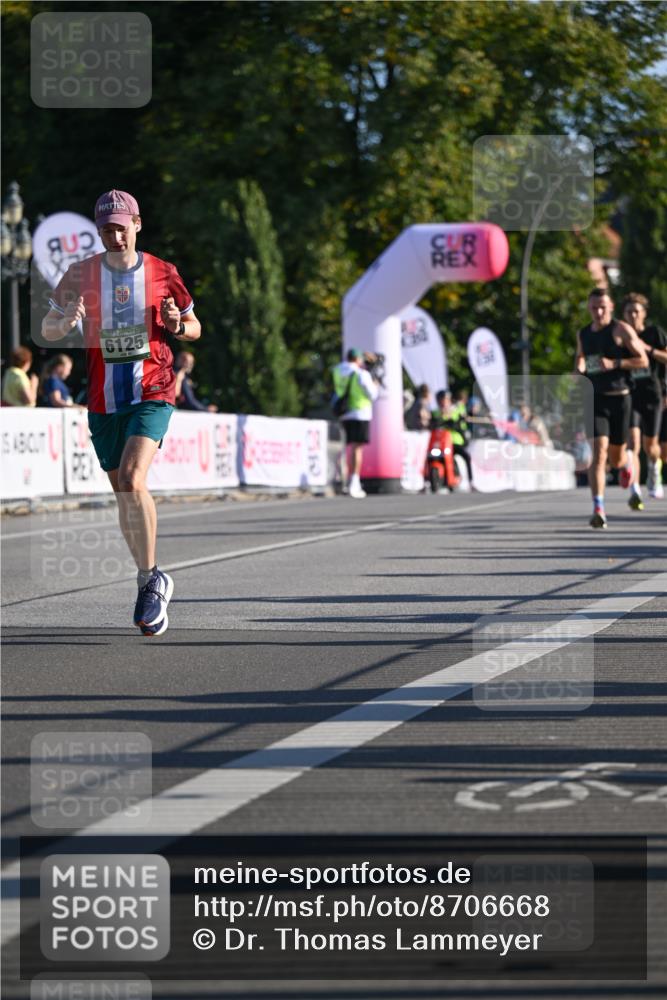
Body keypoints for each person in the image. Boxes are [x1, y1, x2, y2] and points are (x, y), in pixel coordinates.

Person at [41, 189, 201, 635]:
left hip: (154, 388)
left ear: (137, 224)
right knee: (123, 493)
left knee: (133, 478)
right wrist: (65, 322)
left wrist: (175, 326)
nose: (113, 235)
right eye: (105, 228)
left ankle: (151, 581)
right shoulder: (80, 274)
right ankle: (148, 575)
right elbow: (47, 327)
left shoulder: (162, 272)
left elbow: (193, 327)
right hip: (103, 400)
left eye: (120, 226)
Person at [575, 287, 648, 528]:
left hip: (621, 398)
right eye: (594, 307)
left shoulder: (621, 330)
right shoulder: (583, 333)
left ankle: (626, 463)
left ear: (611, 307)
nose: (598, 312)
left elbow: (643, 360)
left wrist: (615, 362)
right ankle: (598, 508)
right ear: (588, 307)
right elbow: (581, 358)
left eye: (603, 307)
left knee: (615, 459)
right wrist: (580, 370)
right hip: (596, 399)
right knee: (599, 453)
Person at [622, 292, 667, 503]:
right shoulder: (619, 335)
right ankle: (635, 490)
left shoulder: (654, 333)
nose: (632, 316)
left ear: (644, 314)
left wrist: (648, 350)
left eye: (636, 312)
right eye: (629, 312)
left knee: (651, 447)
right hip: (630, 395)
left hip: (652, 394)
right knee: (632, 443)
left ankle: (654, 468)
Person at [332, 348, 379, 498]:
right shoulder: (361, 374)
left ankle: (343, 480)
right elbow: (372, 394)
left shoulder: (338, 370)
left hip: (343, 412)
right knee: (357, 449)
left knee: (346, 448)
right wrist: (375, 382)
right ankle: (354, 481)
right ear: (358, 359)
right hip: (360, 412)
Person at [431, 388, 474, 486]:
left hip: (454, 442)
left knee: (466, 456)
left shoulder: (456, 410)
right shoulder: (436, 413)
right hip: (440, 443)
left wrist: (457, 422)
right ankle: (427, 480)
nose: (443, 402)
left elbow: (462, 420)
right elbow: (433, 423)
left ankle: (471, 481)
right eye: (441, 400)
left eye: (445, 399)